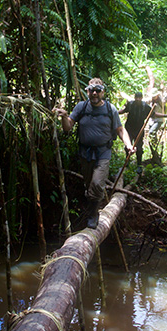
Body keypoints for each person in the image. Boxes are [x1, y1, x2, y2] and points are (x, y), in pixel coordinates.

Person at [54, 79, 134, 229]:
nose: (95, 93)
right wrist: (64, 116)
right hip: (85, 152)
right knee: (89, 184)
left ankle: (93, 214)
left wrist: (128, 145)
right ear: (88, 91)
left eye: (98, 90)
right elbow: (67, 128)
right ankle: (92, 206)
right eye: (91, 90)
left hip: (103, 152)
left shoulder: (110, 109)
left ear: (103, 92)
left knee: (97, 183)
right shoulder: (81, 107)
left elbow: (120, 130)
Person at [119, 92, 167, 174]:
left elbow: (154, 114)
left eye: (139, 98)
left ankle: (139, 165)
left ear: (141, 98)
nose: (138, 99)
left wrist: (164, 115)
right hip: (129, 128)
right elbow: (124, 111)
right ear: (134, 98)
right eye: (136, 98)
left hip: (139, 129)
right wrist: (114, 112)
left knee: (139, 147)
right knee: (128, 145)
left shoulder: (145, 106)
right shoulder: (130, 104)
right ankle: (127, 162)